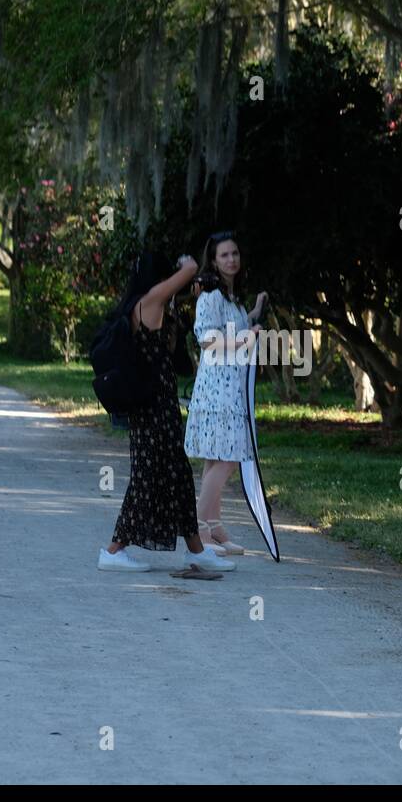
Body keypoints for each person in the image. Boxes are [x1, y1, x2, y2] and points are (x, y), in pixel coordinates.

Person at [99, 251, 234, 572]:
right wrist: (187, 264)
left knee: (177, 474)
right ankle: (113, 550)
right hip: (151, 407)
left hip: (161, 405)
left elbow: (170, 349)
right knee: (148, 477)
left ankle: (196, 551)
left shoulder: (152, 305)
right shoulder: (149, 300)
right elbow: (187, 271)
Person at [184, 232, 267, 555]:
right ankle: (199, 532)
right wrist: (245, 340)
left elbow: (231, 330)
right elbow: (207, 340)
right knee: (229, 458)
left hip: (230, 386)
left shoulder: (231, 298)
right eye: (224, 255)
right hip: (217, 388)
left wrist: (254, 312)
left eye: (234, 253)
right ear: (214, 261)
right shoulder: (210, 296)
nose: (231, 259)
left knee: (217, 458)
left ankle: (213, 528)